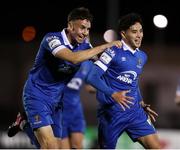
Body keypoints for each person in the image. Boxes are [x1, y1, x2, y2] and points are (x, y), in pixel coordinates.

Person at [19, 7, 122, 148]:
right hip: (37, 95)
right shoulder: (52, 39)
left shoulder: (85, 45)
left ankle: (24, 124)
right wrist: (106, 45)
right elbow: (73, 58)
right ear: (70, 26)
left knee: (54, 146)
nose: (85, 33)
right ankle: (26, 124)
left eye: (88, 29)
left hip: (57, 101)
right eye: (82, 28)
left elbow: (101, 66)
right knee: (50, 146)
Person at [84, 13, 162, 149]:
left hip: (135, 113)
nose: (139, 35)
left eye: (141, 31)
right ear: (124, 34)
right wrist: (113, 93)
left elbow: (133, 81)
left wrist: (141, 102)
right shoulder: (112, 52)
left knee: (156, 147)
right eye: (134, 32)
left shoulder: (142, 56)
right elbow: (92, 77)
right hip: (111, 114)